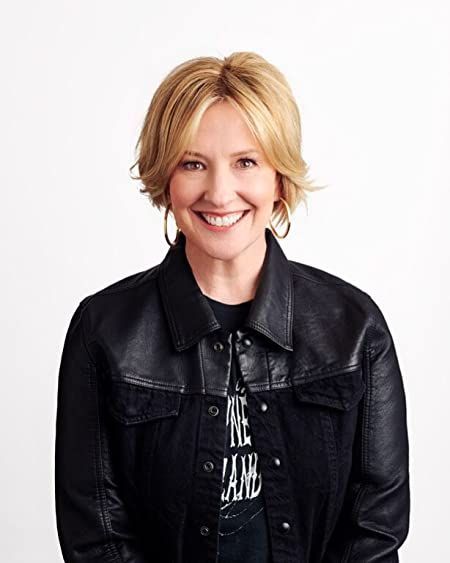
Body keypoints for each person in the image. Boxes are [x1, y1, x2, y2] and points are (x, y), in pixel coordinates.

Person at [55, 52, 410, 563]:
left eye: (246, 162)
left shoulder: (354, 329)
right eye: (193, 163)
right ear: (167, 180)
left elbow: (375, 532)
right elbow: (96, 537)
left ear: (278, 179)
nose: (220, 193)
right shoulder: (104, 331)